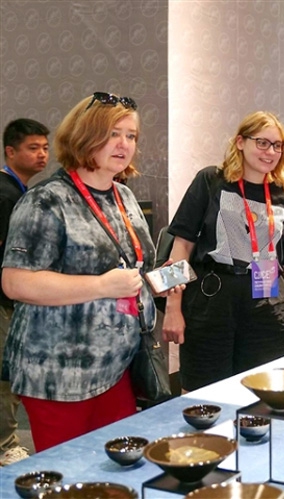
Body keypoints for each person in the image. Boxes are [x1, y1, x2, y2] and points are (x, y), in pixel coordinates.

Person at [1, 93, 165, 452]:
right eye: (112, 134)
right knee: (67, 473)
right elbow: (16, 282)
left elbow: (133, 266)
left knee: (116, 467)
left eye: (131, 135)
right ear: (84, 136)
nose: (124, 144)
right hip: (58, 374)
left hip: (117, 367)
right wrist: (102, 285)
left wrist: (157, 282)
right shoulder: (46, 200)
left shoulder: (123, 196)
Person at [163, 111, 284, 392]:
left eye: (277, 145)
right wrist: (173, 308)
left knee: (267, 391)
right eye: (262, 143)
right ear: (241, 142)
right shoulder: (211, 180)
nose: (270, 152)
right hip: (212, 302)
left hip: (268, 304)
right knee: (203, 394)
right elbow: (181, 246)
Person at [0, 118, 49, 465]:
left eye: (45, 147)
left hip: (12, 300)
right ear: (10, 151)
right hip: (4, 300)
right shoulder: (5, 195)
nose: (42, 154)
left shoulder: (20, 192)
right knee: (5, 375)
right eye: (33, 148)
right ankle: (5, 445)